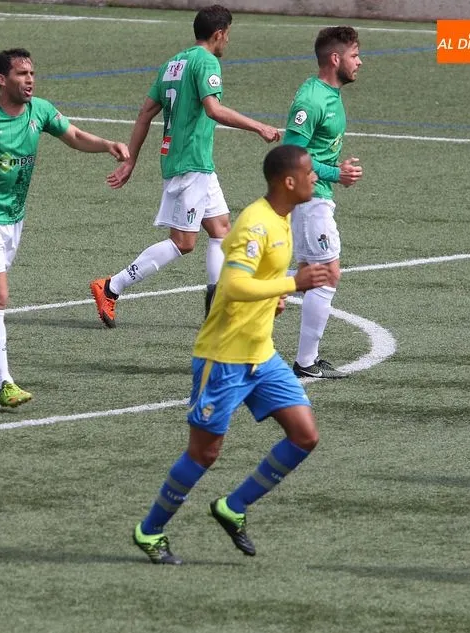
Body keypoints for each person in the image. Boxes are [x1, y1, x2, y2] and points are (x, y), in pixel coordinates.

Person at [132, 144, 332, 565]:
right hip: (224, 358)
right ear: (289, 181)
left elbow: (256, 280)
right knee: (204, 453)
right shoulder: (256, 223)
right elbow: (235, 285)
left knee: (305, 435)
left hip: (262, 355)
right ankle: (149, 531)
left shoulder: (283, 218)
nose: (316, 177)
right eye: (309, 172)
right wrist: (293, 285)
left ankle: (233, 506)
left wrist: (274, 297)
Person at [0, 48, 129, 407]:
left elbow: (74, 135)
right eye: (21, 74)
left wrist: (106, 145)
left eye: (32, 73)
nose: (30, 79)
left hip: (12, 220)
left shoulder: (41, 111)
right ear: (1, 80)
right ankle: (4, 383)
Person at [90, 4, 281, 328]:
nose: (228, 41)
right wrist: (259, 127)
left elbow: (144, 113)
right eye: (228, 35)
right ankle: (111, 287)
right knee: (183, 242)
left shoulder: (173, 64)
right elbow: (214, 109)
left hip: (195, 164)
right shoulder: (206, 61)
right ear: (218, 34)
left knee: (221, 230)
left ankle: (218, 307)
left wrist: (132, 159)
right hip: (190, 163)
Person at [284, 26, 363, 379]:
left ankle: (306, 360)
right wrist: (335, 173)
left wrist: (336, 170)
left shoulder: (330, 94)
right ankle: (305, 362)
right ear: (335, 59)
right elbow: (291, 153)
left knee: (312, 275)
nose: (359, 62)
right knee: (328, 273)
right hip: (309, 199)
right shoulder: (312, 99)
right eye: (354, 55)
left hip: (316, 197)